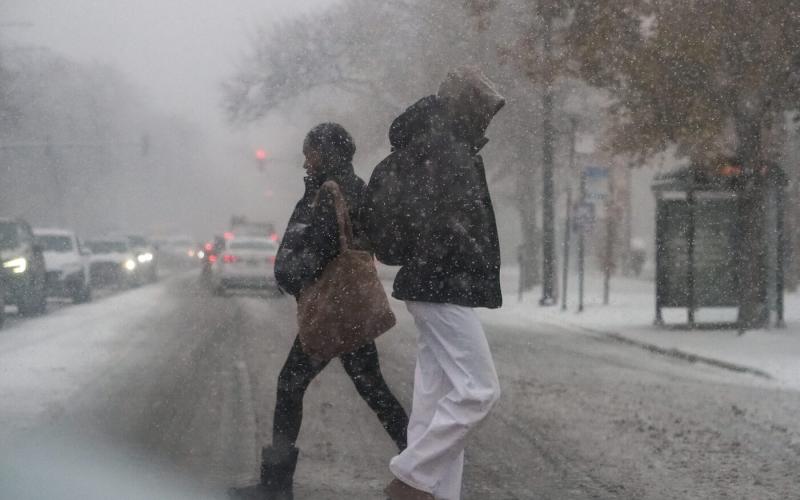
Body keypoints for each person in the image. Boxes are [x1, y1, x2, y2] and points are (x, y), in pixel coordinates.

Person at [230, 123, 409, 500]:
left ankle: (276, 485)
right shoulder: (349, 187)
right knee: (372, 387)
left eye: (310, 152)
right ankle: (424, 467)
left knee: (291, 385)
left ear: (326, 154)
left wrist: (290, 275)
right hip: (347, 305)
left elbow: (318, 250)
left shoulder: (331, 192)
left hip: (333, 308)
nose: (305, 159)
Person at [381, 67, 504, 500]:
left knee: (434, 402)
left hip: (434, 282)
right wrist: (460, 252)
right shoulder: (446, 148)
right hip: (441, 284)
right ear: (465, 106)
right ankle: (412, 478)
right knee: (479, 390)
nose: (487, 121)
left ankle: (433, 489)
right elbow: (443, 223)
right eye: (484, 111)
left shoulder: (438, 142)